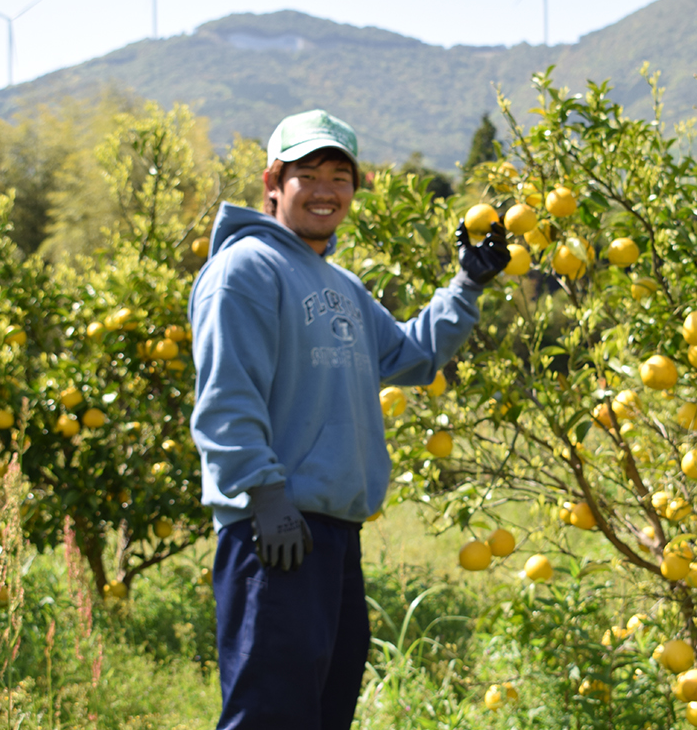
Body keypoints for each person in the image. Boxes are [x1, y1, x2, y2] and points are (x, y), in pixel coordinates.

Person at [188, 109, 509, 728]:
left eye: (341, 176)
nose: (327, 190)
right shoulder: (246, 269)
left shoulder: (340, 284)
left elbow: (411, 357)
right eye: (308, 173)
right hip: (273, 527)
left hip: (331, 534)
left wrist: (466, 285)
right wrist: (266, 493)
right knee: (270, 716)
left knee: (322, 712)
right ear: (273, 183)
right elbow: (228, 395)